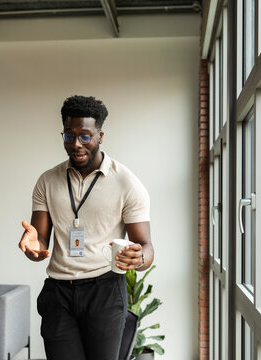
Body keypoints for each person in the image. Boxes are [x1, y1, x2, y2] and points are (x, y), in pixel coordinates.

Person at [18, 95, 154, 360]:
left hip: (104, 290)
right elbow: (40, 241)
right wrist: (33, 247)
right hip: (59, 292)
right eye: (69, 136)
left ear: (100, 136)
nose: (76, 144)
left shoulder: (127, 183)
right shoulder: (47, 180)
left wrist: (139, 258)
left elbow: (146, 247)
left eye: (85, 136)